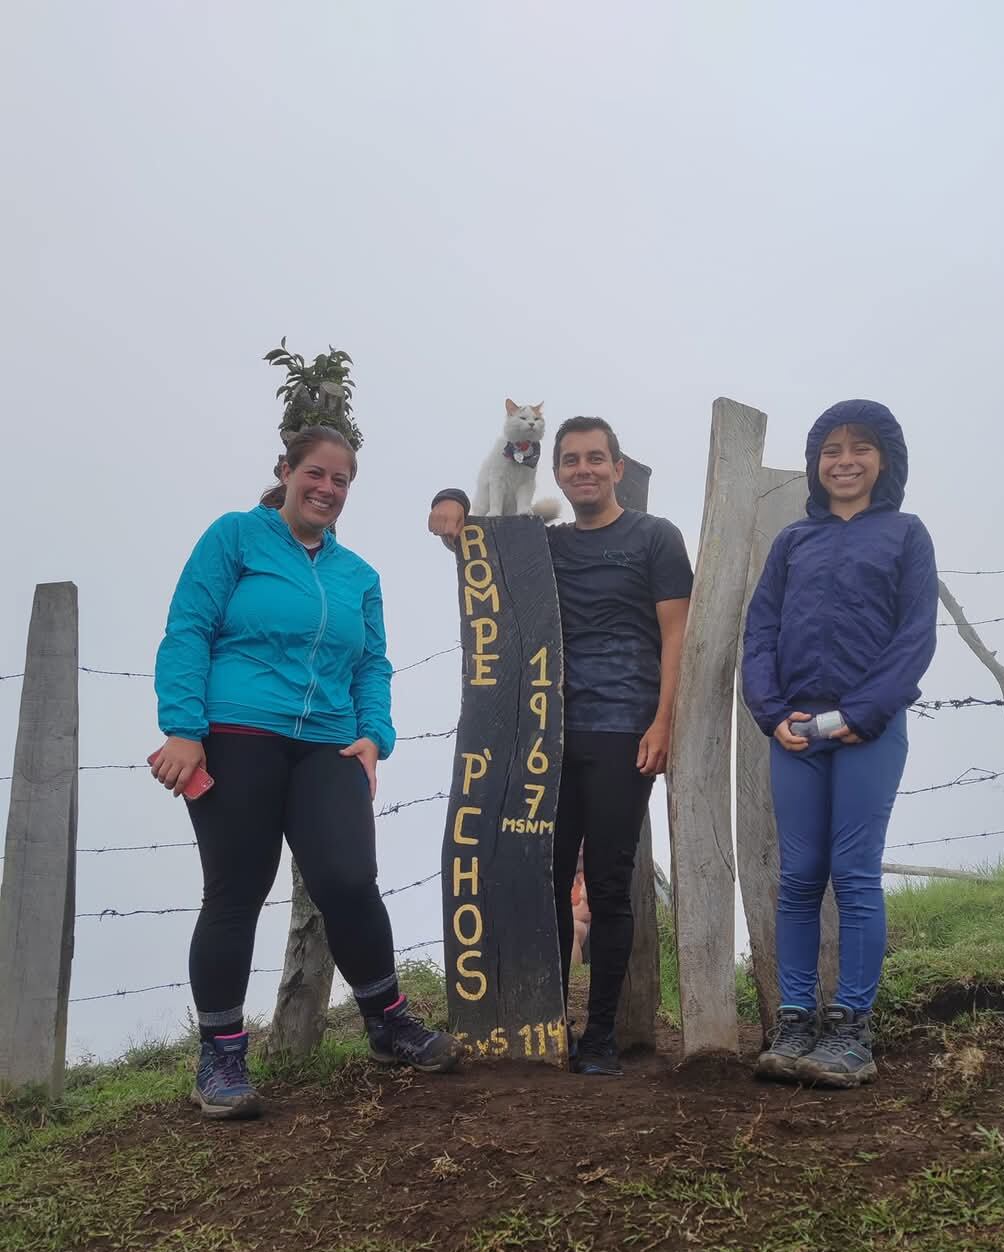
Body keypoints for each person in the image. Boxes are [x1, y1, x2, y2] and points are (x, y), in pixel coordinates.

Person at [153, 425, 460, 1119]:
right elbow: (189, 627)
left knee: (348, 878)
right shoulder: (235, 537)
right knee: (237, 889)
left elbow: (372, 664)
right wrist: (183, 727)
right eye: (315, 474)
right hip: (235, 735)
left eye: (341, 480)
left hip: (329, 743)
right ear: (287, 472)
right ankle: (223, 1055)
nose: (326, 489)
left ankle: (388, 1023)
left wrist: (374, 737)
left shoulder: (359, 577)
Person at [429, 416, 692, 1076]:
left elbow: (677, 636)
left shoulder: (655, 537)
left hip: (622, 729)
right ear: (557, 471)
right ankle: (546, 1025)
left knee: (607, 883)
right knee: (541, 878)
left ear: (617, 468)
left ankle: (600, 1033)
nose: (583, 469)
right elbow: (482, 545)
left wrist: (665, 722)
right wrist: (451, 501)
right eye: (570, 460)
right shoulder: (544, 543)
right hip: (544, 734)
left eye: (595, 458)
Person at [742, 399, 937, 1088]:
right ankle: (795, 1021)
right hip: (796, 734)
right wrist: (771, 714)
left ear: (885, 459)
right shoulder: (793, 543)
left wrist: (863, 711)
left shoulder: (907, 535)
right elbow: (760, 632)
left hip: (869, 730)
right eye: (831, 449)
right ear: (815, 464)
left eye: (860, 447)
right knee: (798, 878)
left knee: (853, 875)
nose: (845, 460)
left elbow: (915, 636)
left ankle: (851, 1030)